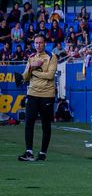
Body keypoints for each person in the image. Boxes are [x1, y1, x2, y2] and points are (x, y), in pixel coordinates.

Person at [19, 33, 57, 162]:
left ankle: (42, 153)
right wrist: (31, 67)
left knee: (46, 124)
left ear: (45, 43)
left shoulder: (52, 57)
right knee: (29, 122)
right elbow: (25, 77)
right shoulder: (31, 57)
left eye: (40, 42)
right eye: (36, 43)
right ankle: (29, 152)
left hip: (47, 94)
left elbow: (50, 76)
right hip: (32, 93)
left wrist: (34, 71)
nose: (38, 45)